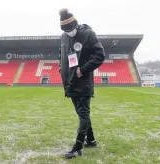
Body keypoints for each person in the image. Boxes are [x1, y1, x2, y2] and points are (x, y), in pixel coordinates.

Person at [58, 8, 105, 158]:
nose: (69, 32)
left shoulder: (88, 34)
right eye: (66, 30)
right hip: (70, 82)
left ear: (76, 25)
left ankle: (78, 147)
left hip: (83, 81)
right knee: (80, 113)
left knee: (83, 113)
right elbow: (62, 54)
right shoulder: (63, 37)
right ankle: (90, 140)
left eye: (71, 29)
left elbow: (100, 55)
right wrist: (61, 66)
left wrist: (84, 69)